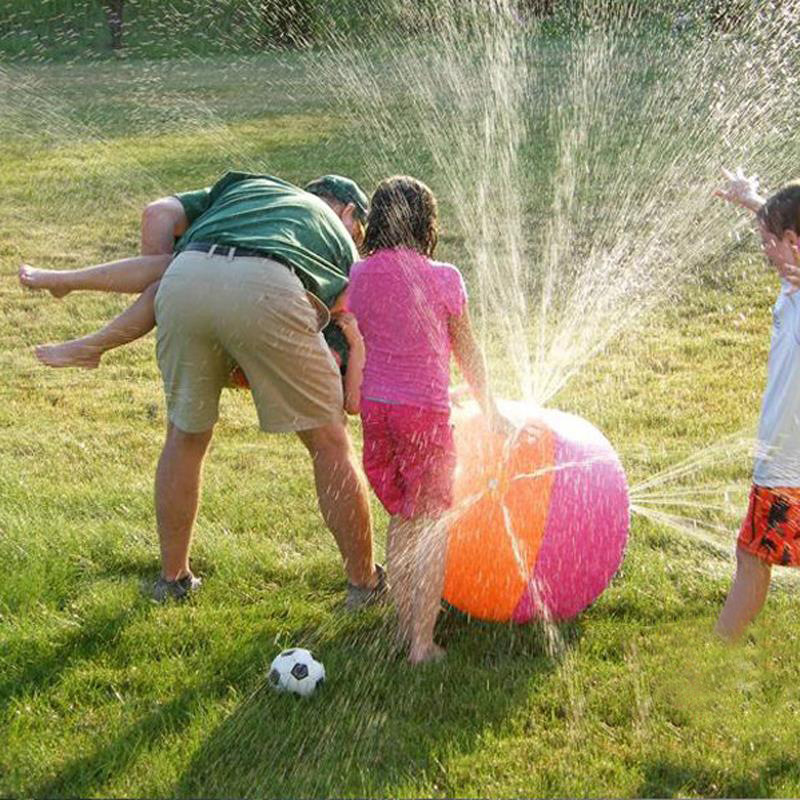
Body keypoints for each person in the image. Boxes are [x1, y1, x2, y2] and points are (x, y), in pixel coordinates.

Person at [26, 171, 383, 605]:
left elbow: (157, 213)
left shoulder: (249, 187)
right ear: (347, 213)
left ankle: (172, 581)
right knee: (328, 443)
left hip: (183, 279)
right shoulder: (341, 245)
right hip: (269, 286)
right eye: (358, 229)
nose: (358, 239)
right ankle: (364, 586)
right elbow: (341, 370)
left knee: (186, 434)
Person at [346, 175, 511, 664]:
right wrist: (491, 409)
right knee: (433, 521)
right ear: (426, 224)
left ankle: (402, 629)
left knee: (402, 516)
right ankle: (422, 643)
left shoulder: (360, 277)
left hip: (379, 412)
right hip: (424, 416)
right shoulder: (443, 278)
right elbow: (467, 350)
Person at [714, 169, 800, 639]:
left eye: (768, 240)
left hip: (785, 471)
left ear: (791, 240)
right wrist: (753, 201)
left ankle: (718, 649)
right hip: (786, 466)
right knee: (753, 556)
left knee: (751, 557)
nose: (763, 251)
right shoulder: (792, 290)